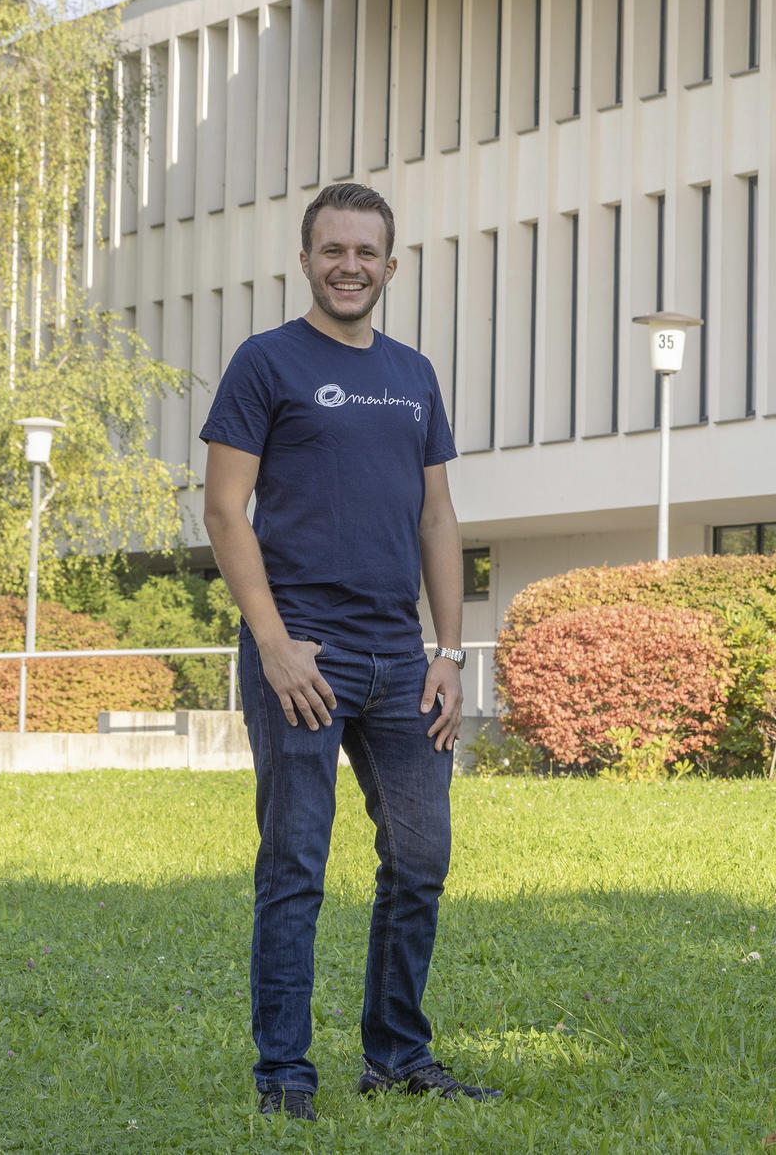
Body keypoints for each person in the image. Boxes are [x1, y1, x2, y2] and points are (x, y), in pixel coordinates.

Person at [201, 182, 501, 1120]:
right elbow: (222, 508)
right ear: (305, 259)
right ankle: (284, 1075)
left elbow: (438, 516)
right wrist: (276, 642)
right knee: (295, 865)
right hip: (304, 655)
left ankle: (398, 1055)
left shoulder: (414, 374)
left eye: (366, 252)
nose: (349, 266)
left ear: (390, 265)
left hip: (400, 658)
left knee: (420, 860)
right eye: (333, 250)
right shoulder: (266, 363)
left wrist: (448, 651)